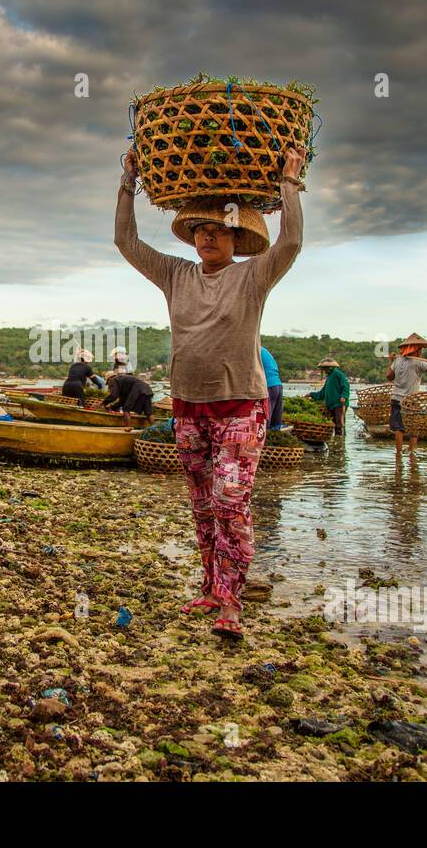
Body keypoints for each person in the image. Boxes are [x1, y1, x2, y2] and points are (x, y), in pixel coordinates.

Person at [115, 143, 306, 641]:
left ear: (235, 237)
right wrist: (127, 183)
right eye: (200, 230)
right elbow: (125, 241)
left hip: (241, 407)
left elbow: (290, 245)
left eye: (217, 229)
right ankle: (208, 585)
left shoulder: (252, 276)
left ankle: (232, 600)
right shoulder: (175, 274)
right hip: (187, 408)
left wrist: (289, 183)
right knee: (201, 504)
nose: (206, 237)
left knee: (229, 501)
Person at [386, 334, 427, 457]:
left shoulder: (397, 361)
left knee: (399, 429)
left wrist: (391, 361)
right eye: (420, 349)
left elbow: (389, 377)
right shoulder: (418, 363)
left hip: (395, 398)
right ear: (416, 349)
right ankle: (411, 453)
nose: (421, 352)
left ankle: (399, 454)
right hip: (411, 400)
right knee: (413, 428)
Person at [307, 357, 350, 435]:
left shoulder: (338, 374)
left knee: (339, 424)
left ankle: (341, 441)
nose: (324, 371)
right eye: (323, 369)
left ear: (330, 368)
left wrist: (344, 396)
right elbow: (322, 393)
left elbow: (345, 385)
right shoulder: (329, 378)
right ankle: (337, 443)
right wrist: (311, 394)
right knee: (334, 424)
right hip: (331, 405)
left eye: (325, 369)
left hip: (339, 404)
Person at [259, 346, 284, 430]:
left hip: (268, 385)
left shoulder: (254, 350)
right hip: (278, 385)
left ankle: (266, 439)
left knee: (266, 421)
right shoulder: (263, 350)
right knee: (276, 421)